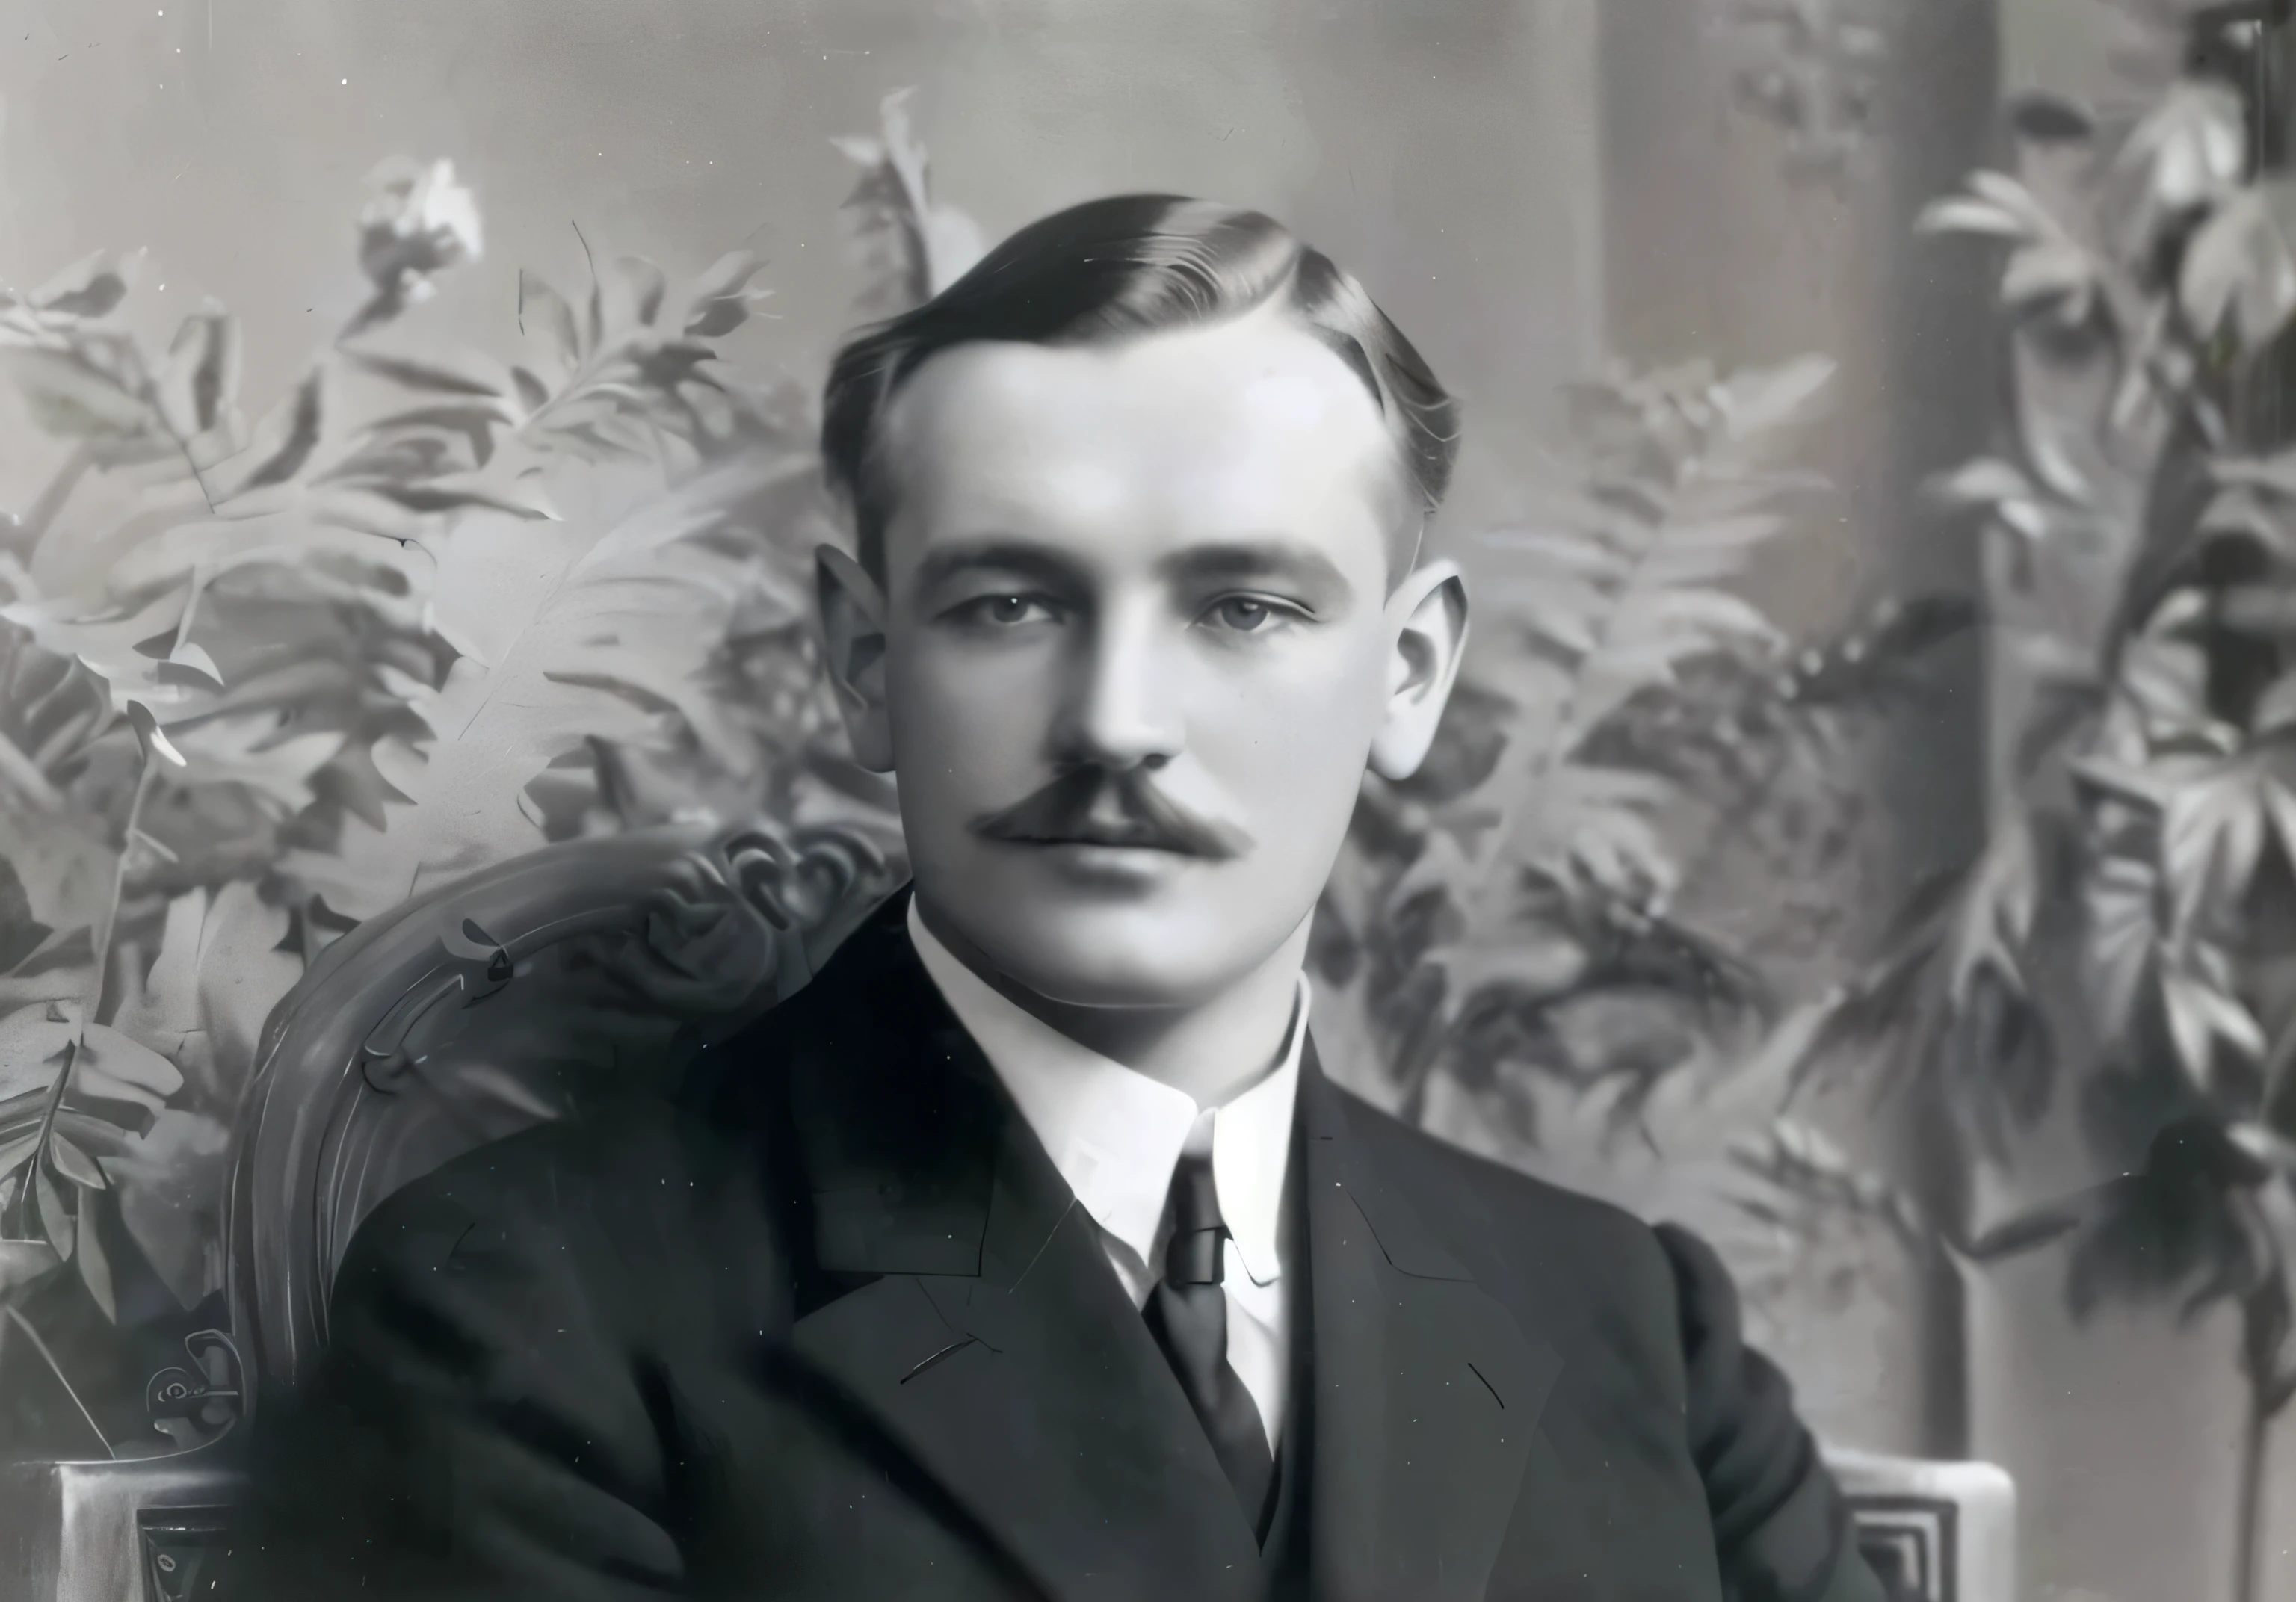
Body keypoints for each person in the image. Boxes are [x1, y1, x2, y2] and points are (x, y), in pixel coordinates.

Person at [219, 197, 1883, 1601]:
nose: (1114, 724)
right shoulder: (527, 1310)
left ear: (1412, 672)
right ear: (865, 662)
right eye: (1012, 602)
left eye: (1242, 607)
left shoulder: (1632, 1325)